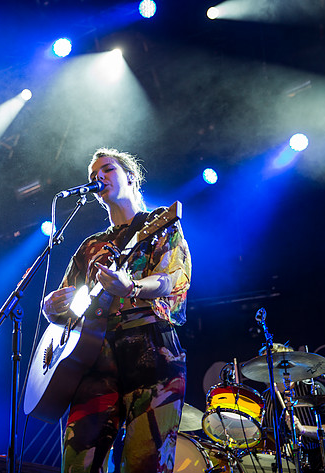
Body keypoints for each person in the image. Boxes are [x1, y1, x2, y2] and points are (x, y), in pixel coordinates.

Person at [42, 148, 191, 473]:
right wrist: (53, 306)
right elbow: (71, 303)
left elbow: (172, 281)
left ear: (131, 177)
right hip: (94, 363)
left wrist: (132, 287)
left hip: (152, 356)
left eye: (107, 169)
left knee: (143, 464)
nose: (99, 177)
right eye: (94, 175)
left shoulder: (160, 224)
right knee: (77, 464)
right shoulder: (89, 246)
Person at [259, 343, 325, 472]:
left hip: (320, 454)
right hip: (285, 459)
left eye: (270, 365)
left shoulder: (312, 388)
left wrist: (302, 429)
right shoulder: (264, 399)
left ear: (286, 366)